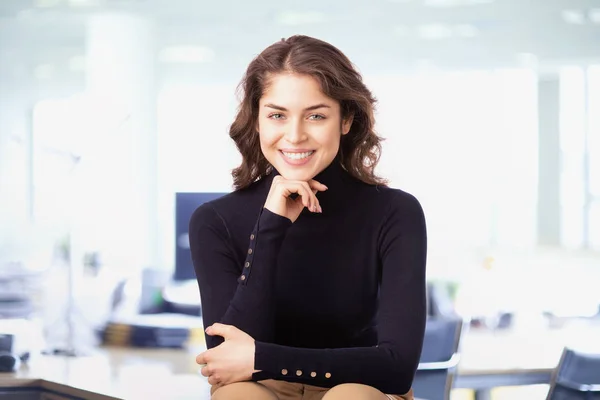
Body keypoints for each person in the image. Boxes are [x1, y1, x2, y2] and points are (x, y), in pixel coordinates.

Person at [190, 35, 427, 400]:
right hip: (261, 387)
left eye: (316, 115)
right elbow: (225, 360)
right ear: (257, 120)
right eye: (277, 115)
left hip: (362, 387)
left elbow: (396, 367)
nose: (295, 136)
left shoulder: (395, 212)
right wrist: (270, 226)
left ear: (346, 119)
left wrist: (262, 358)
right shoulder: (213, 220)